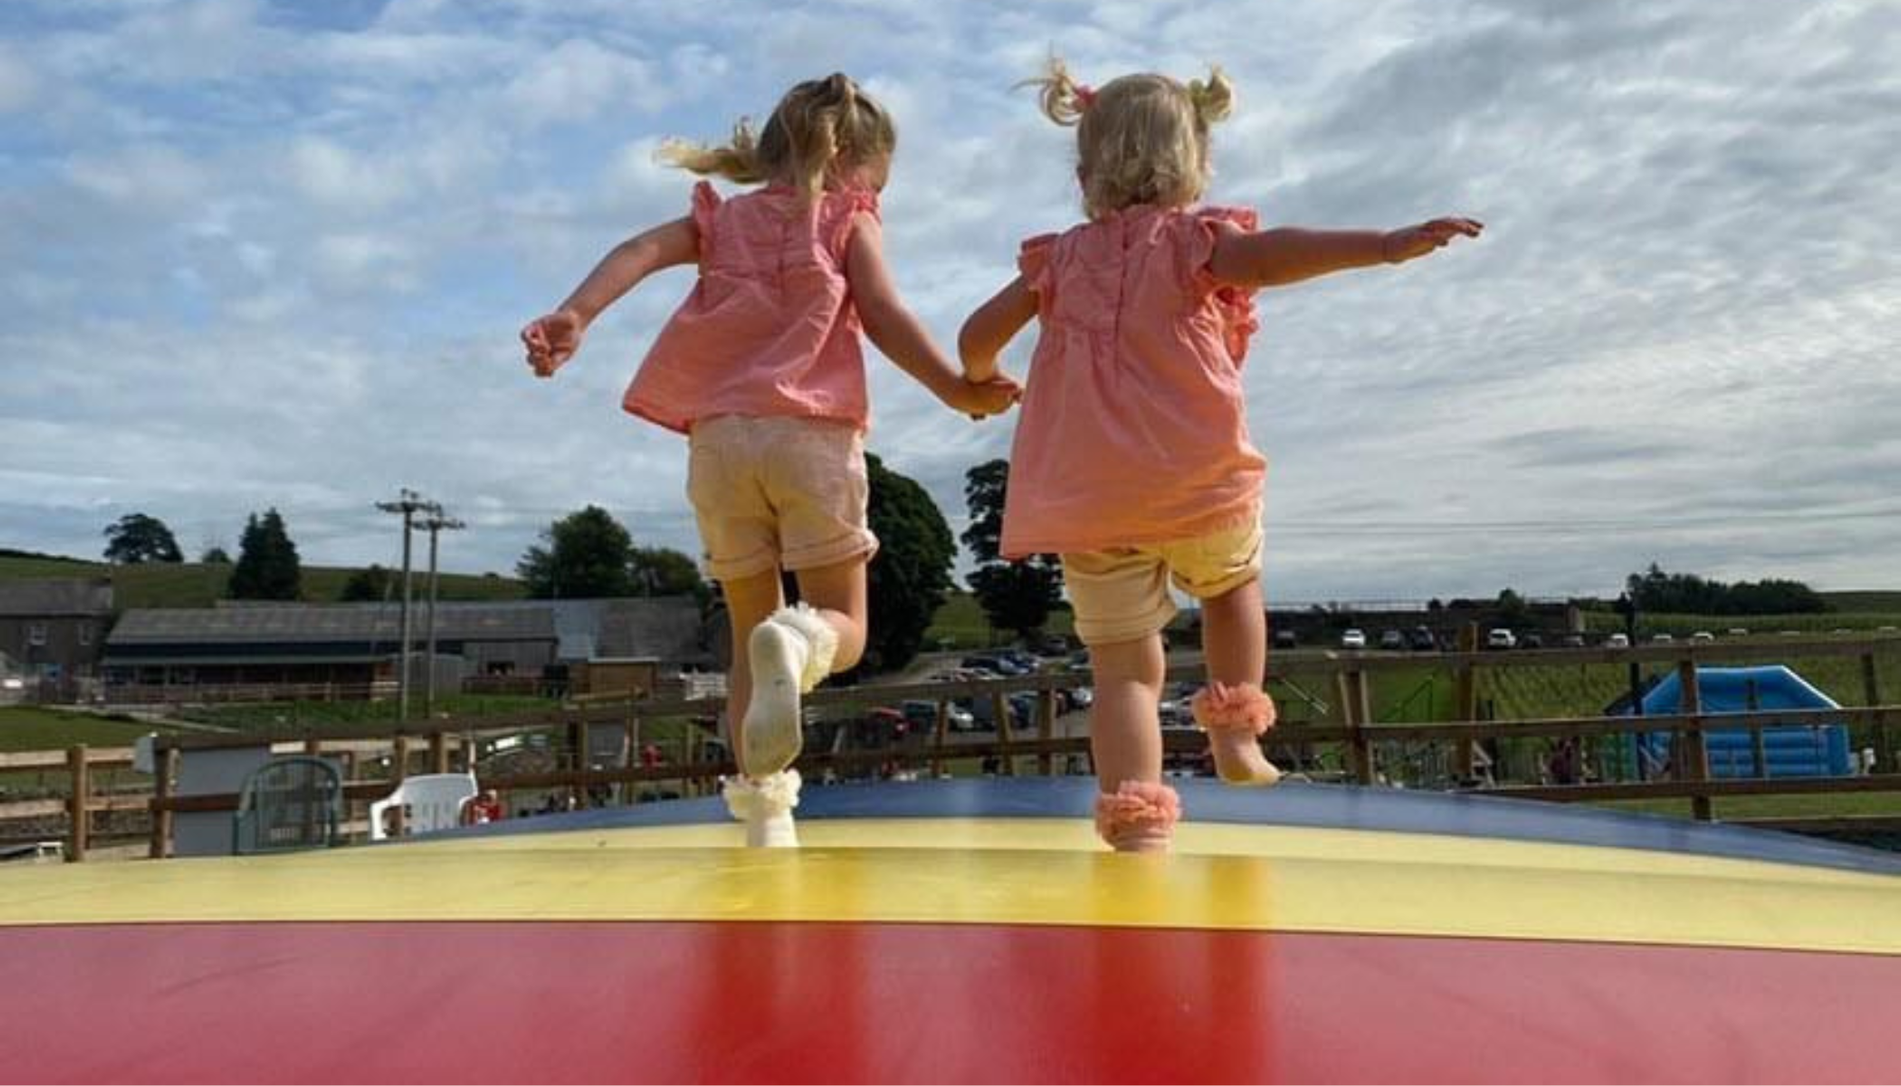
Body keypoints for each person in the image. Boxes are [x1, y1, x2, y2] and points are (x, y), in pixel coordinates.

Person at [959, 61, 1481, 852]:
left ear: (1083, 173)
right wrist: (1381, 245)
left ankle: (1135, 825)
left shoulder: (1054, 265)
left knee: (1125, 673)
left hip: (1087, 501)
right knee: (1233, 585)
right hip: (1194, 480)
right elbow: (1276, 254)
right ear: (1196, 163)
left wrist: (976, 377)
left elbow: (975, 336)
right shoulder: (1198, 242)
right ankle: (1236, 731)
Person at [522, 74, 1018, 848]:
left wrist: (576, 313)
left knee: (749, 631)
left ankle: (762, 811)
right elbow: (884, 313)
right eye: (878, 183)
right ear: (850, 163)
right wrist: (957, 389)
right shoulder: (846, 220)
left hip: (718, 440)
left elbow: (637, 249)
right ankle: (803, 641)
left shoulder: (722, 221)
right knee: (840, 621)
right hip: (809, 436)